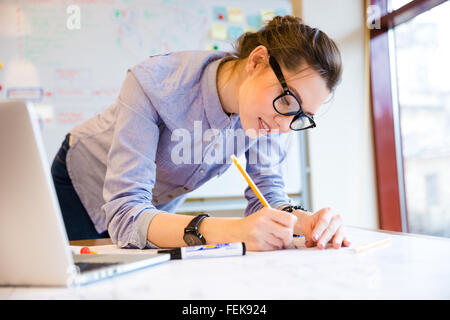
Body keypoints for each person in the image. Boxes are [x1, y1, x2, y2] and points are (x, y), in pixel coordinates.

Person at [51, 15, 351, 251]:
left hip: (150, 206)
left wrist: (308, 223)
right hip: (81, 181)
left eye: (300, 116)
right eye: (287, 100)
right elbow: (126, 213)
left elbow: (268, 199)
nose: (285, 125)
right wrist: (236, 231)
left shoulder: (270, 116)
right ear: (257, 61)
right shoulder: (155, 83)